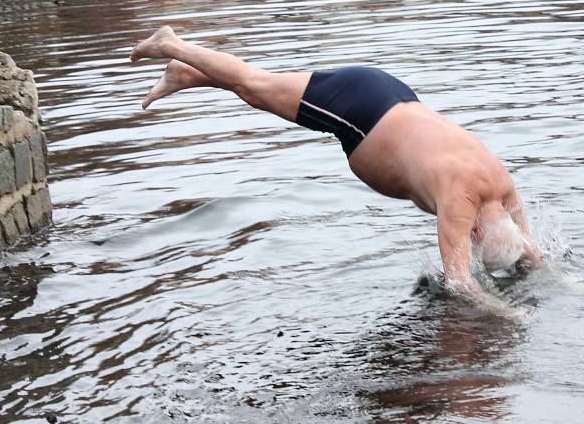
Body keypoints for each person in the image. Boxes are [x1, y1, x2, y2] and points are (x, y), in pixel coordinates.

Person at [130, 26, 541, 302]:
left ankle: (187, 74)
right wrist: (510, 313)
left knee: (259, 88)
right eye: (474, 240)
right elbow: (459, 284)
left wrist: (570, 285)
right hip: (361, 112)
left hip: (389, 96)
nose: (467, 241)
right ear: (478, 228)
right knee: (256, 87)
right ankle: (173, 45)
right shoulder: (460, 202)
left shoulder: (503, 186)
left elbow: (532, 253)